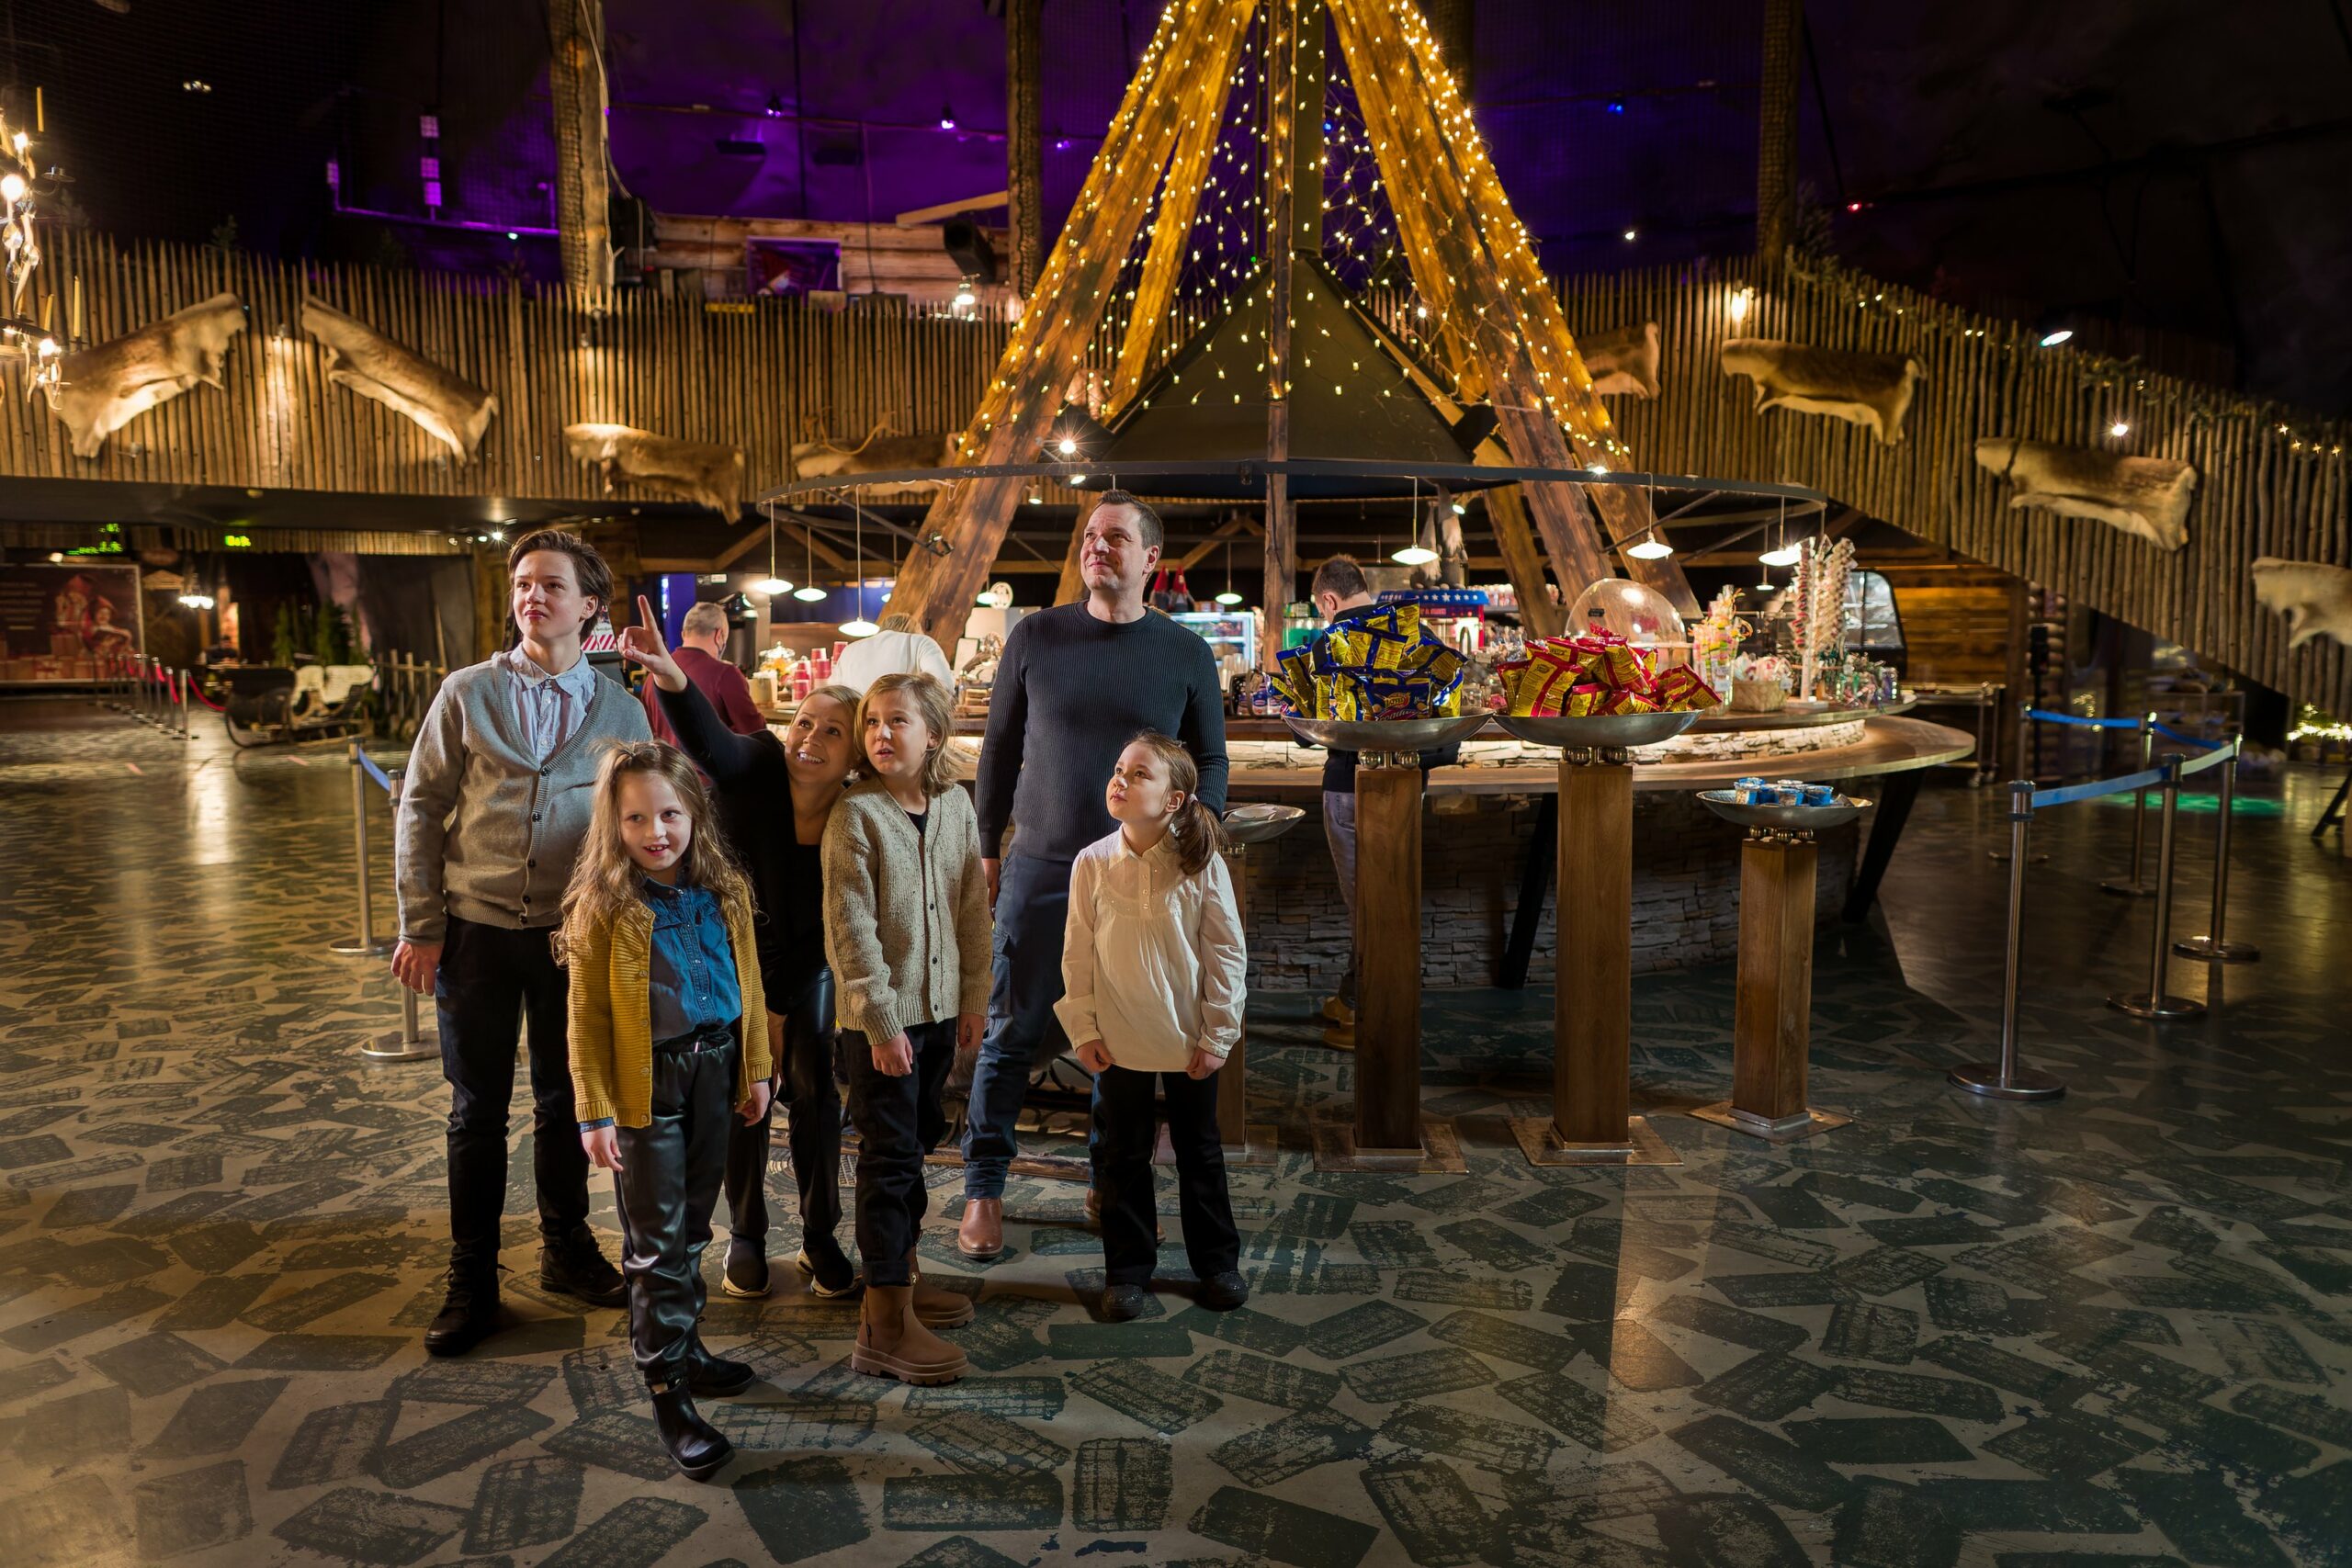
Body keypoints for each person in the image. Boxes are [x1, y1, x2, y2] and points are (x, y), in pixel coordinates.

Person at [393, 529, 651, 1357]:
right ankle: (471, 1275)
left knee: (564, 1103)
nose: (533, 596)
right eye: (523, 584)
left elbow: (637, 821)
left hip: (569, 941)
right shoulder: (466, 691)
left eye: (551, 585)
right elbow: (420, 809)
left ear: (589, 607)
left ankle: (565, 1247)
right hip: (473, 934)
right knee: (475, 1111)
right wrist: (421, 926)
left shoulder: (621, 708)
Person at [958, 491, 1229, 1259]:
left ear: (1151, 559)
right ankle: (984, 1188)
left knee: (1122, 1039)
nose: (1097, 547)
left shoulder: (1186, 652)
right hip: (1042, 865)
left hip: (1138, 874)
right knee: (1011, 1032)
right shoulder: (1036, 637)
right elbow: (998, 749)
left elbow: (1210, 760)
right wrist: (985, 844)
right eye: (1089, 537)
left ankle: (1109, 1176)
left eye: (1116, 538)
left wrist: (1189, 836)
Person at [620, 593, 862, 1300]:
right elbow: (708, 742)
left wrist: (786, 1005)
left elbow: (833, 925)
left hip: (811, 963)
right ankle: (748, 1235)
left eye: (831, 731)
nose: (808, 738)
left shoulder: (855, 811)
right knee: (743, 1087)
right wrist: (671, 675)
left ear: (852, 753)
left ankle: (820, 1236)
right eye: (805, 722)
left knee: (817, 1084)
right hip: (731, 954)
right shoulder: (756, 762)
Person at [562, 741, 773, 1481]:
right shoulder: (606, 906)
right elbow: (586, 1015)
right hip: (645, 1087)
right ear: (613, 825)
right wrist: (594, 1112)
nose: (657, 830)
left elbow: (746, 980)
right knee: (654, 1245)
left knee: (691, 1224)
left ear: (695, 815)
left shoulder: (725, 890)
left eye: (671, 813)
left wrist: (756, 1070)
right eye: (637, 817)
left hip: (715, 1070)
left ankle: (688, 1347)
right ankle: (668, 1390)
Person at [824, 671, 991, 1384]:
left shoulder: (956, 805)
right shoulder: (855, 814)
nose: (882, 735)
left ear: (934, 735)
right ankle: (883, 1323)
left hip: (939, 1012)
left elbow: (971, 908)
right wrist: (882, 1022)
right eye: (871, 724)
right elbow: (851, 930)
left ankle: (905, 1275)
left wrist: (975, 998)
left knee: (919, 1145)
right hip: (877, 1024)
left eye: (897, 721)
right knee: (889, 1161)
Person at [1058, 732, 1250, 1320]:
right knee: (1122, 1154)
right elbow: (1077, 955)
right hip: (1118, 1040)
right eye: (1119, 769)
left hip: (1189, 1036)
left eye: (1140, 774)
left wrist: (1218, 1034)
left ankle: (1216, 1263)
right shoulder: (1092, 863)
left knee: (1200, 1151)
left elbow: (1226, 953)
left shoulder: (1200, 862)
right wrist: (1085, 1030)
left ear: (1174, 799)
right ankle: (1127, 1270)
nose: (1120, 780)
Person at [1306, 554, 1460, 1051]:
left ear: (1329, 600)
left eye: (1320, 607)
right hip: (1406, 785)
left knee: (1369, 907)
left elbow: (1311, 728)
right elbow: (1452, 702)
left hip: (1350, 787)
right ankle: (1356, 1000)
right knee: (1389, 898)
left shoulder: (1330, 641)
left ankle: (1373, 1019)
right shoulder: (1416, 634)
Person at [640, 601, 764, 761]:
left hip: (668, 779)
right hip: (713, 782)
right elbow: (758, 735)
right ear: (719, 636)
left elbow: (650, 736)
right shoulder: (726, 674)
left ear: (684, 634)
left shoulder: (653, 676)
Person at [832, 611, 956, 695]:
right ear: (914, 631)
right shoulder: (920, 642)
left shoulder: (849, 650)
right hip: (898, 725)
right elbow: (944, 685)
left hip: (855, 727)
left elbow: (833, 692)